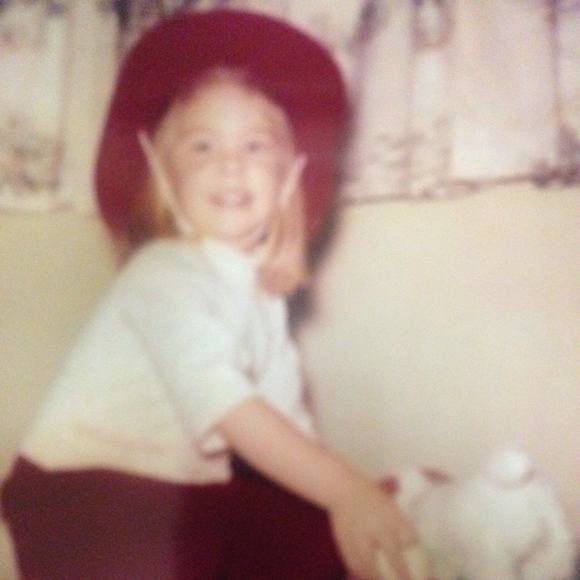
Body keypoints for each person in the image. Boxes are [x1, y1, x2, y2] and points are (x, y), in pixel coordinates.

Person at [1, 10, 414, 580]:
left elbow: (285, 430)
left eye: (255, 146)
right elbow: (230, 409)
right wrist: (347, 491)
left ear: (292, 176)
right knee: (205, 544)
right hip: (79, 494)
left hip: (177, 495)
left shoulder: (264, 297)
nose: (230, 163)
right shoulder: (162, 274)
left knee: (306, 534)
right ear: (163, 175)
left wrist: (349, 502)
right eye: (201, 147)